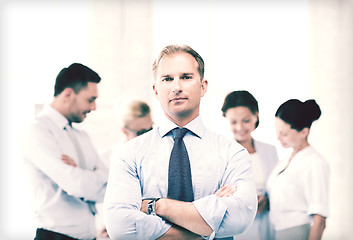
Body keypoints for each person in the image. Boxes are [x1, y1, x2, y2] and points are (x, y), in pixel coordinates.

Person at [104, 44, 257, 240]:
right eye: (167, 79)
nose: (177, 87)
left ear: (203, 87)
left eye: (186, 77)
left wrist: (157, 206)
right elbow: (120, 228)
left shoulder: (232, 153)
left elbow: (239, 218)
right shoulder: (129, 154)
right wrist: (208, 221)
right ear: (156, 89)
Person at [21, 63, 108, 240]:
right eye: (90, 100)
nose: (94, 108)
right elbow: (78, 186)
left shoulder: (82, 135)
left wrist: (82, 175)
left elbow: (110, 185)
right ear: (68, 94)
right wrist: (90, 177)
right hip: (54, 236)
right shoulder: (38, 131)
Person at [266, 99, 330, 240]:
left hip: (297, 233)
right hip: (276, 231)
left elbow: (319, 220)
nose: (278, 138)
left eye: (284, 134)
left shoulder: (315, 162)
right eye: (277, 132)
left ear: (304, 132)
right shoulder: (284, 162)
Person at [221, 90, 278, 240]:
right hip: (238, 227)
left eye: (246, 120)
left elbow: (278, 188)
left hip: (267, 222)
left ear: (256, 116)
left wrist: (267, 201)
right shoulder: (222, 153)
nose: (240, 127)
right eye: (234, 122)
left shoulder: (270, 151)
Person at [96, 99, 154, 239]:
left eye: (150, 130)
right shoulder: (104, 159)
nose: (147, 137)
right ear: (124, 131)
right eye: (140, 132)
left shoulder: (160, 154)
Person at [99, 98, 154, 168]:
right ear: (125, 131)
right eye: (141, 132)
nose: (148, 136)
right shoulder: (105, 161)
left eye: (151, 129)